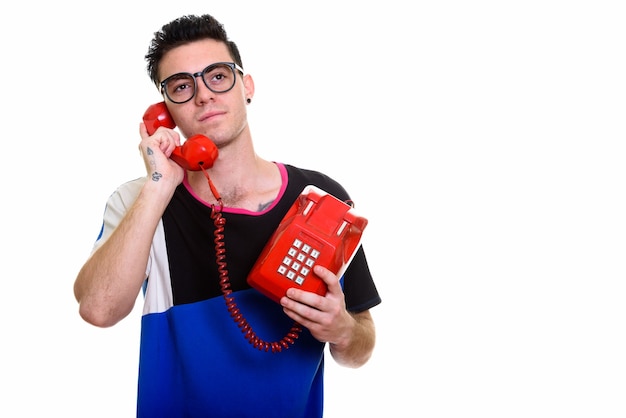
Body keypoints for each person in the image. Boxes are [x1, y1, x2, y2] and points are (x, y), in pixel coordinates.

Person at [73, 13, 381, 418]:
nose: (203, 96)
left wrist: (341, 329)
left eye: (217, 76)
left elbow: (361, 345)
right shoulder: (139, 200)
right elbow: (98, 310)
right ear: (163, 111)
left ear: (246, 85)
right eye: (182, 86)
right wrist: (159, 186)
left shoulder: (320, 199)